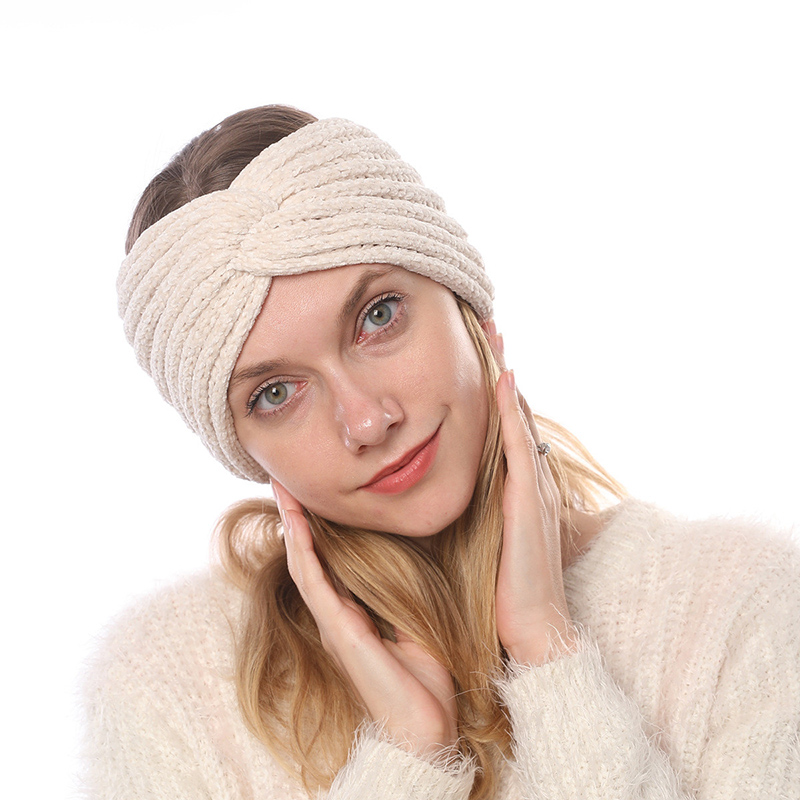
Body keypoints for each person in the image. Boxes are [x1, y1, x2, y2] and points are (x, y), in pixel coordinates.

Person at [80, 105, 800, 800]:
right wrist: (407, 758)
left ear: (470, 310)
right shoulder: (171, 690)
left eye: (378, 316)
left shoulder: (738, 612)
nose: (367, 420)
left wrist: (551, 656)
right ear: (243, 448)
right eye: (275, 393)